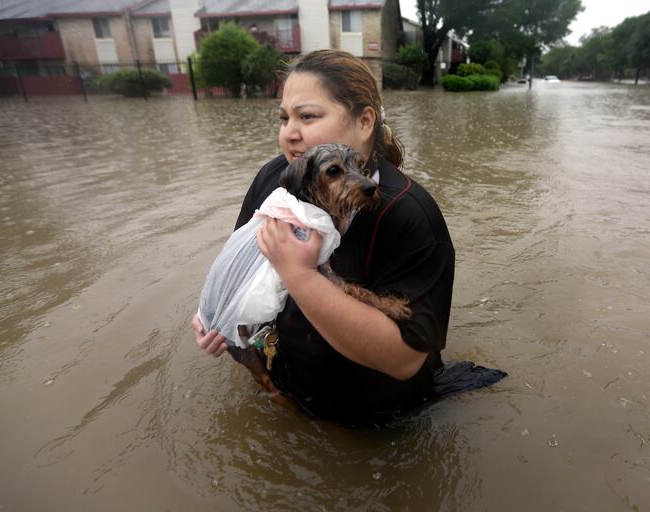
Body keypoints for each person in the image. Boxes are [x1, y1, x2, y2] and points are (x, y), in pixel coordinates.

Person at [192, 50, 504, 424]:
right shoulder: (276, 179)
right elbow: (239, 267)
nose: (289, 131)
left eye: (307, 116)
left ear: (365, 122)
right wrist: (216, 316)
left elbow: (405, 360)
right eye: (284, 118)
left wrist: (300, 275)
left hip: (376, 414)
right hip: (293, 387)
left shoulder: (409, 215)